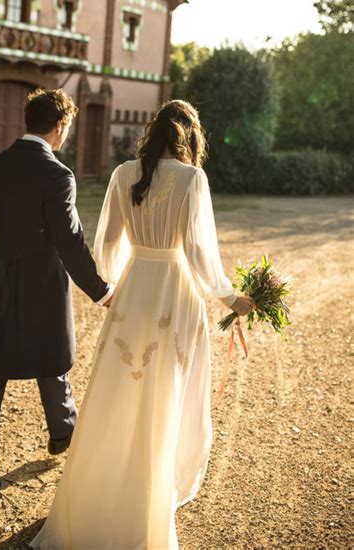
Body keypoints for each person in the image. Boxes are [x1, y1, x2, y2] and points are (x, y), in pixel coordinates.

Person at [30, 99, 255, 549]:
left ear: (152, 132)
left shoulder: (120, 175)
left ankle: (95, 500)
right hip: (176, 291)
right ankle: (148, 506)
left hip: (134, 291)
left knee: (119, 392)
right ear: (189, 139)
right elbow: (199, 252)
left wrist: (115, 286)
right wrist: (231, 297)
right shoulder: (193, 179)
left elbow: (108, 244)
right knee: (166, 394)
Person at [0, 88, 113, 504]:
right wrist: (101, 292)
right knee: (52, 357)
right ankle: (64, 432)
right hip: (43, 284)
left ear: (28, 121)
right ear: (60, 126)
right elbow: (69, 243)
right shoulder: (58, 175)